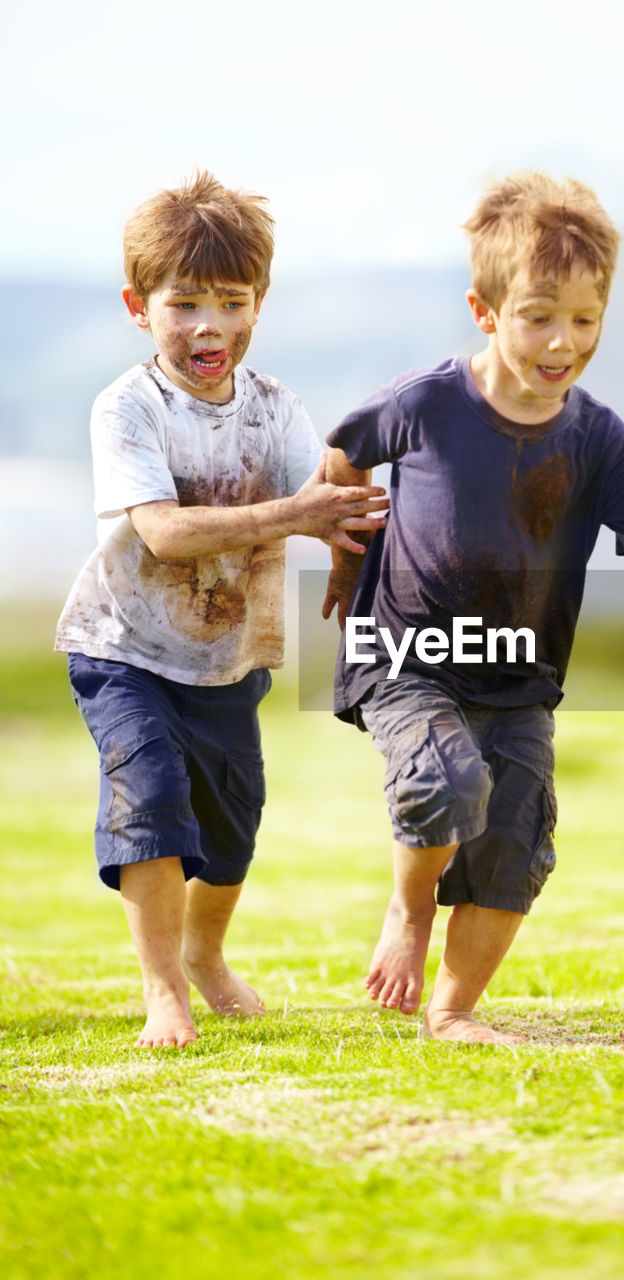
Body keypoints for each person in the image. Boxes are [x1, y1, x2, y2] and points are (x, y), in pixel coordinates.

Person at [321, 171, 624, 1045]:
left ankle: (453, 1013)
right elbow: (342, 458)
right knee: (444, 779)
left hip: (519, 678)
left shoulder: (596, 438)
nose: (561, 341)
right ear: (486, 310)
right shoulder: (423, 403)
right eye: (538, 315)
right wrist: (346, 556)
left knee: (514, 842)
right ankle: (409, 907)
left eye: (584, 318)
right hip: (406, 661)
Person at [55, 171, 387, 1048]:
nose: (210, 326)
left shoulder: (276, 410)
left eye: (232, 302)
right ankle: (164, 990)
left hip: (228, 658)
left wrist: (370, 522)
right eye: (185, 303)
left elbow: (330, 502)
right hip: (121, 648)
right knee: (152, 800)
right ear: (139, 306)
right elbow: (163, 533)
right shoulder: (126, 408)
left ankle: (206, 957)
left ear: (259, 303)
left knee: (232, 833)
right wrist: (299, 517)